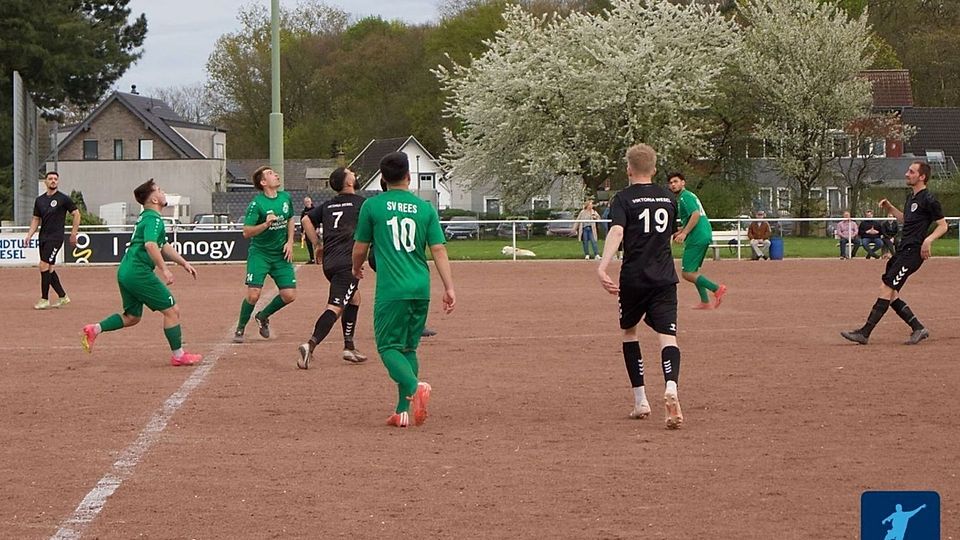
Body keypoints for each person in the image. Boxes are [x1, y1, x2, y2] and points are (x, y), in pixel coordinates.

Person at [352, 152, 456, 428]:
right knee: (408, 348)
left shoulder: (372, 207)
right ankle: (402, 411)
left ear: (383, 180)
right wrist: (448, 287)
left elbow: (360, 247)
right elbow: (438, 249)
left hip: (392, 289)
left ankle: (414, 386)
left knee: (387, 347)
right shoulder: (425, 209)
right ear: (409, 177)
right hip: (421, 287)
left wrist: (355, 268)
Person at [597, 143, 684, 429]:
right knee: (667, 336)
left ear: (628, 169)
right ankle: (671, 386)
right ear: (655, 169)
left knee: (629, 332)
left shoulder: (622, 199)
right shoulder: (668, 199)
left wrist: (603, 265)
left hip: (634, 277)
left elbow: (618, 230)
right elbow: (671, 235)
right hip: (664, 278)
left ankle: (640, 400)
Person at [80, 179, 201, 366]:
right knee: (172, 311)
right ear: (153, 200)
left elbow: (163, 245)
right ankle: (178, 355)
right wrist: (165, 270)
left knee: (132, 317)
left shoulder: (147, 218)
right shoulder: (153, 219)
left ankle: (94, 329)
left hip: (126, 271)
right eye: (159, 190)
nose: (163, 192)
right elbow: (151, 245)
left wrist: (183, 263)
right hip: (138, 272)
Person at [841, 161, 947, 346]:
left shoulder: (929, 199)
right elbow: (907, 220)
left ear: (922, 177)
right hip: (902, 250)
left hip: (912, 253)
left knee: (886, 289)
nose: (907, 174)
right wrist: (890, 208)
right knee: (892, 294)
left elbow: (943, 225)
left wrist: (928, 241)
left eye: (911, 172)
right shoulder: (911, 198)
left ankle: (864, 333)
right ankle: (918, 328)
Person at [297, 168, 368, 368]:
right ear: (348, 183)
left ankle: (349, 346)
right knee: (335, 307)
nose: (354, 173)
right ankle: (310, 345)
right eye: (350, 173)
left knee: (354, 298)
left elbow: (305, 219)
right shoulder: (362, 204)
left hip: (330, 263)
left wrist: (317, 244)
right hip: (348, 264)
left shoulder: (329, 205)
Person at [233, 166, 297, 343]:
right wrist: (265, 225)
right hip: (260, 253)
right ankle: (240, 328)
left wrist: (290, 241)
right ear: (263, 182)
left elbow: (291, 218)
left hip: (280, 254)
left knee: (289, 295)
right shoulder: (257, 204)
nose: (276, 175)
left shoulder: (286, 197)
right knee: (254, 294)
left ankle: (263, 316)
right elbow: (246, 232)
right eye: (270, 174)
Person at [667, 172, 727, 309]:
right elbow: (691, 219)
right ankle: (705, 302)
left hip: (697, 236)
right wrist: (681, 231)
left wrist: (685, 233)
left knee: (687, 273)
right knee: (693, 271)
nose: (673, 185)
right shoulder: (688, 196)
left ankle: (716, 288)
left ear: (683, 182)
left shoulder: (684, 197)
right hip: (702, 233)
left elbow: (695, 215)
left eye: (676, 181)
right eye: (670, 183)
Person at [24, 171, 80, 309]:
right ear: (45, 182)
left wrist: (73, 233)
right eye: (50, 179)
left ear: (58, 182)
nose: (53, 181)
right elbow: (36, 219)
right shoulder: (39, 200)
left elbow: (76, 214)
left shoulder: (63, 199)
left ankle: (44, 299)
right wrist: (29, 235)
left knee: (43, 265)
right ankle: (63, 297)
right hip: (42, 237)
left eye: (55, 179)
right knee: (48, 269)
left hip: (55, 238)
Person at [300, 196, 316, 264]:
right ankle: (312, 258)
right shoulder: (304, 212)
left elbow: (317, 220)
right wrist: (302, 231)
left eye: (308, 201)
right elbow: (302, 222)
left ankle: (318, 258)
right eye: (306, 202)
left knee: (316, 244)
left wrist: (317, 228)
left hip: (314, 230)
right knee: (309, 245)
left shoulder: (315, 210)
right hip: (307, 230)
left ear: (311, 202)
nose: (307, 203)